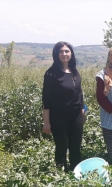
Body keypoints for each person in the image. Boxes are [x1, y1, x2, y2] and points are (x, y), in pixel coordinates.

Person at [42, 41, 86, 172]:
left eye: (67, 51)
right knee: (61, 147)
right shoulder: (51, 74)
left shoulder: (74, 72)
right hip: (59, 117)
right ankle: (60, 176)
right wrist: (46, 122)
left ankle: (76, 174)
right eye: (61, 51)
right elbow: (46, 100)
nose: (64, 54)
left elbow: (79, 93)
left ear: (71, 53)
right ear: (56, 54)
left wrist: (83, 109)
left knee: (75, 147)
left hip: (76, 116)